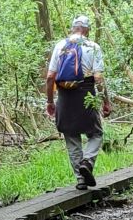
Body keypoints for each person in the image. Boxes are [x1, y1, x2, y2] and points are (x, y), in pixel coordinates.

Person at [45, 14, 111, 190]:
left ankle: (80, 179)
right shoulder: (93, 46)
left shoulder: (60, 46)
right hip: (86, 94)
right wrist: (106, 101)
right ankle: (88, 162)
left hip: (64, 97)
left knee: (71, 136)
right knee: (95, 133)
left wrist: (50, 102)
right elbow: (98, 78)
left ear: (73, 28)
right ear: (87, 29)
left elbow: (50, 77)